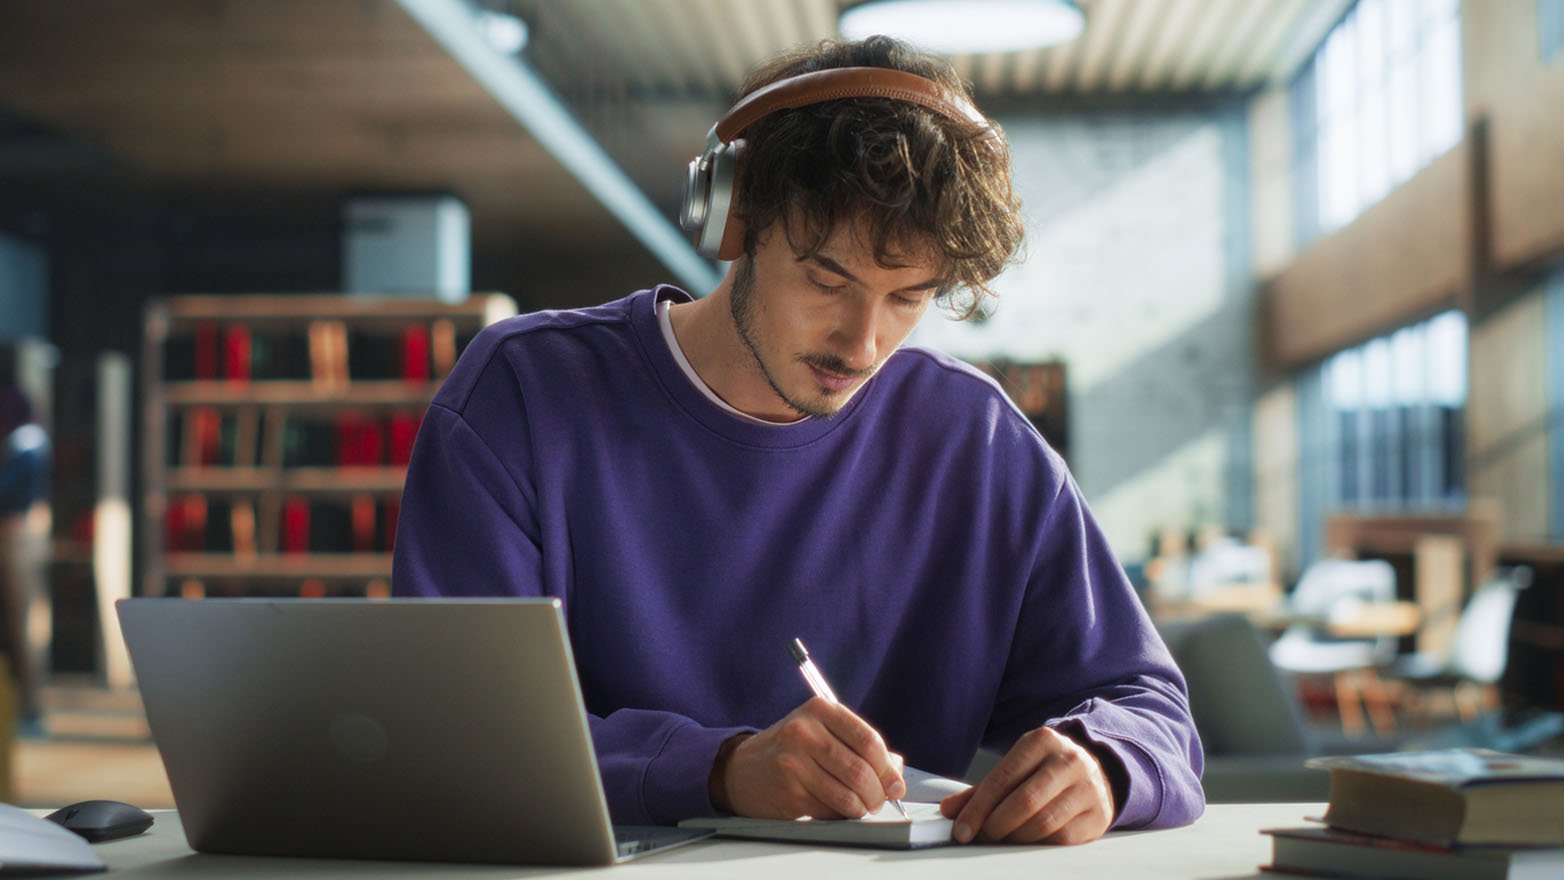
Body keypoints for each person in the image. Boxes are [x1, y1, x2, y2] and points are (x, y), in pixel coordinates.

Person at [392, 36, 1203, 845]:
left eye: (907, 298)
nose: (862, 344)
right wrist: (718, 770)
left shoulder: (977, 444)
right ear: (734, 219)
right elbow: (452, 734)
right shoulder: (524, 395)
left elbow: (1152, 710)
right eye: (827, 280)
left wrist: (1104, 765)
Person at [0, 382, 49, 735]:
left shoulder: (27, 445)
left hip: (20, 536)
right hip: (19, 536)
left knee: (26, 622)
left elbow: (8, 492)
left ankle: (31, 709)